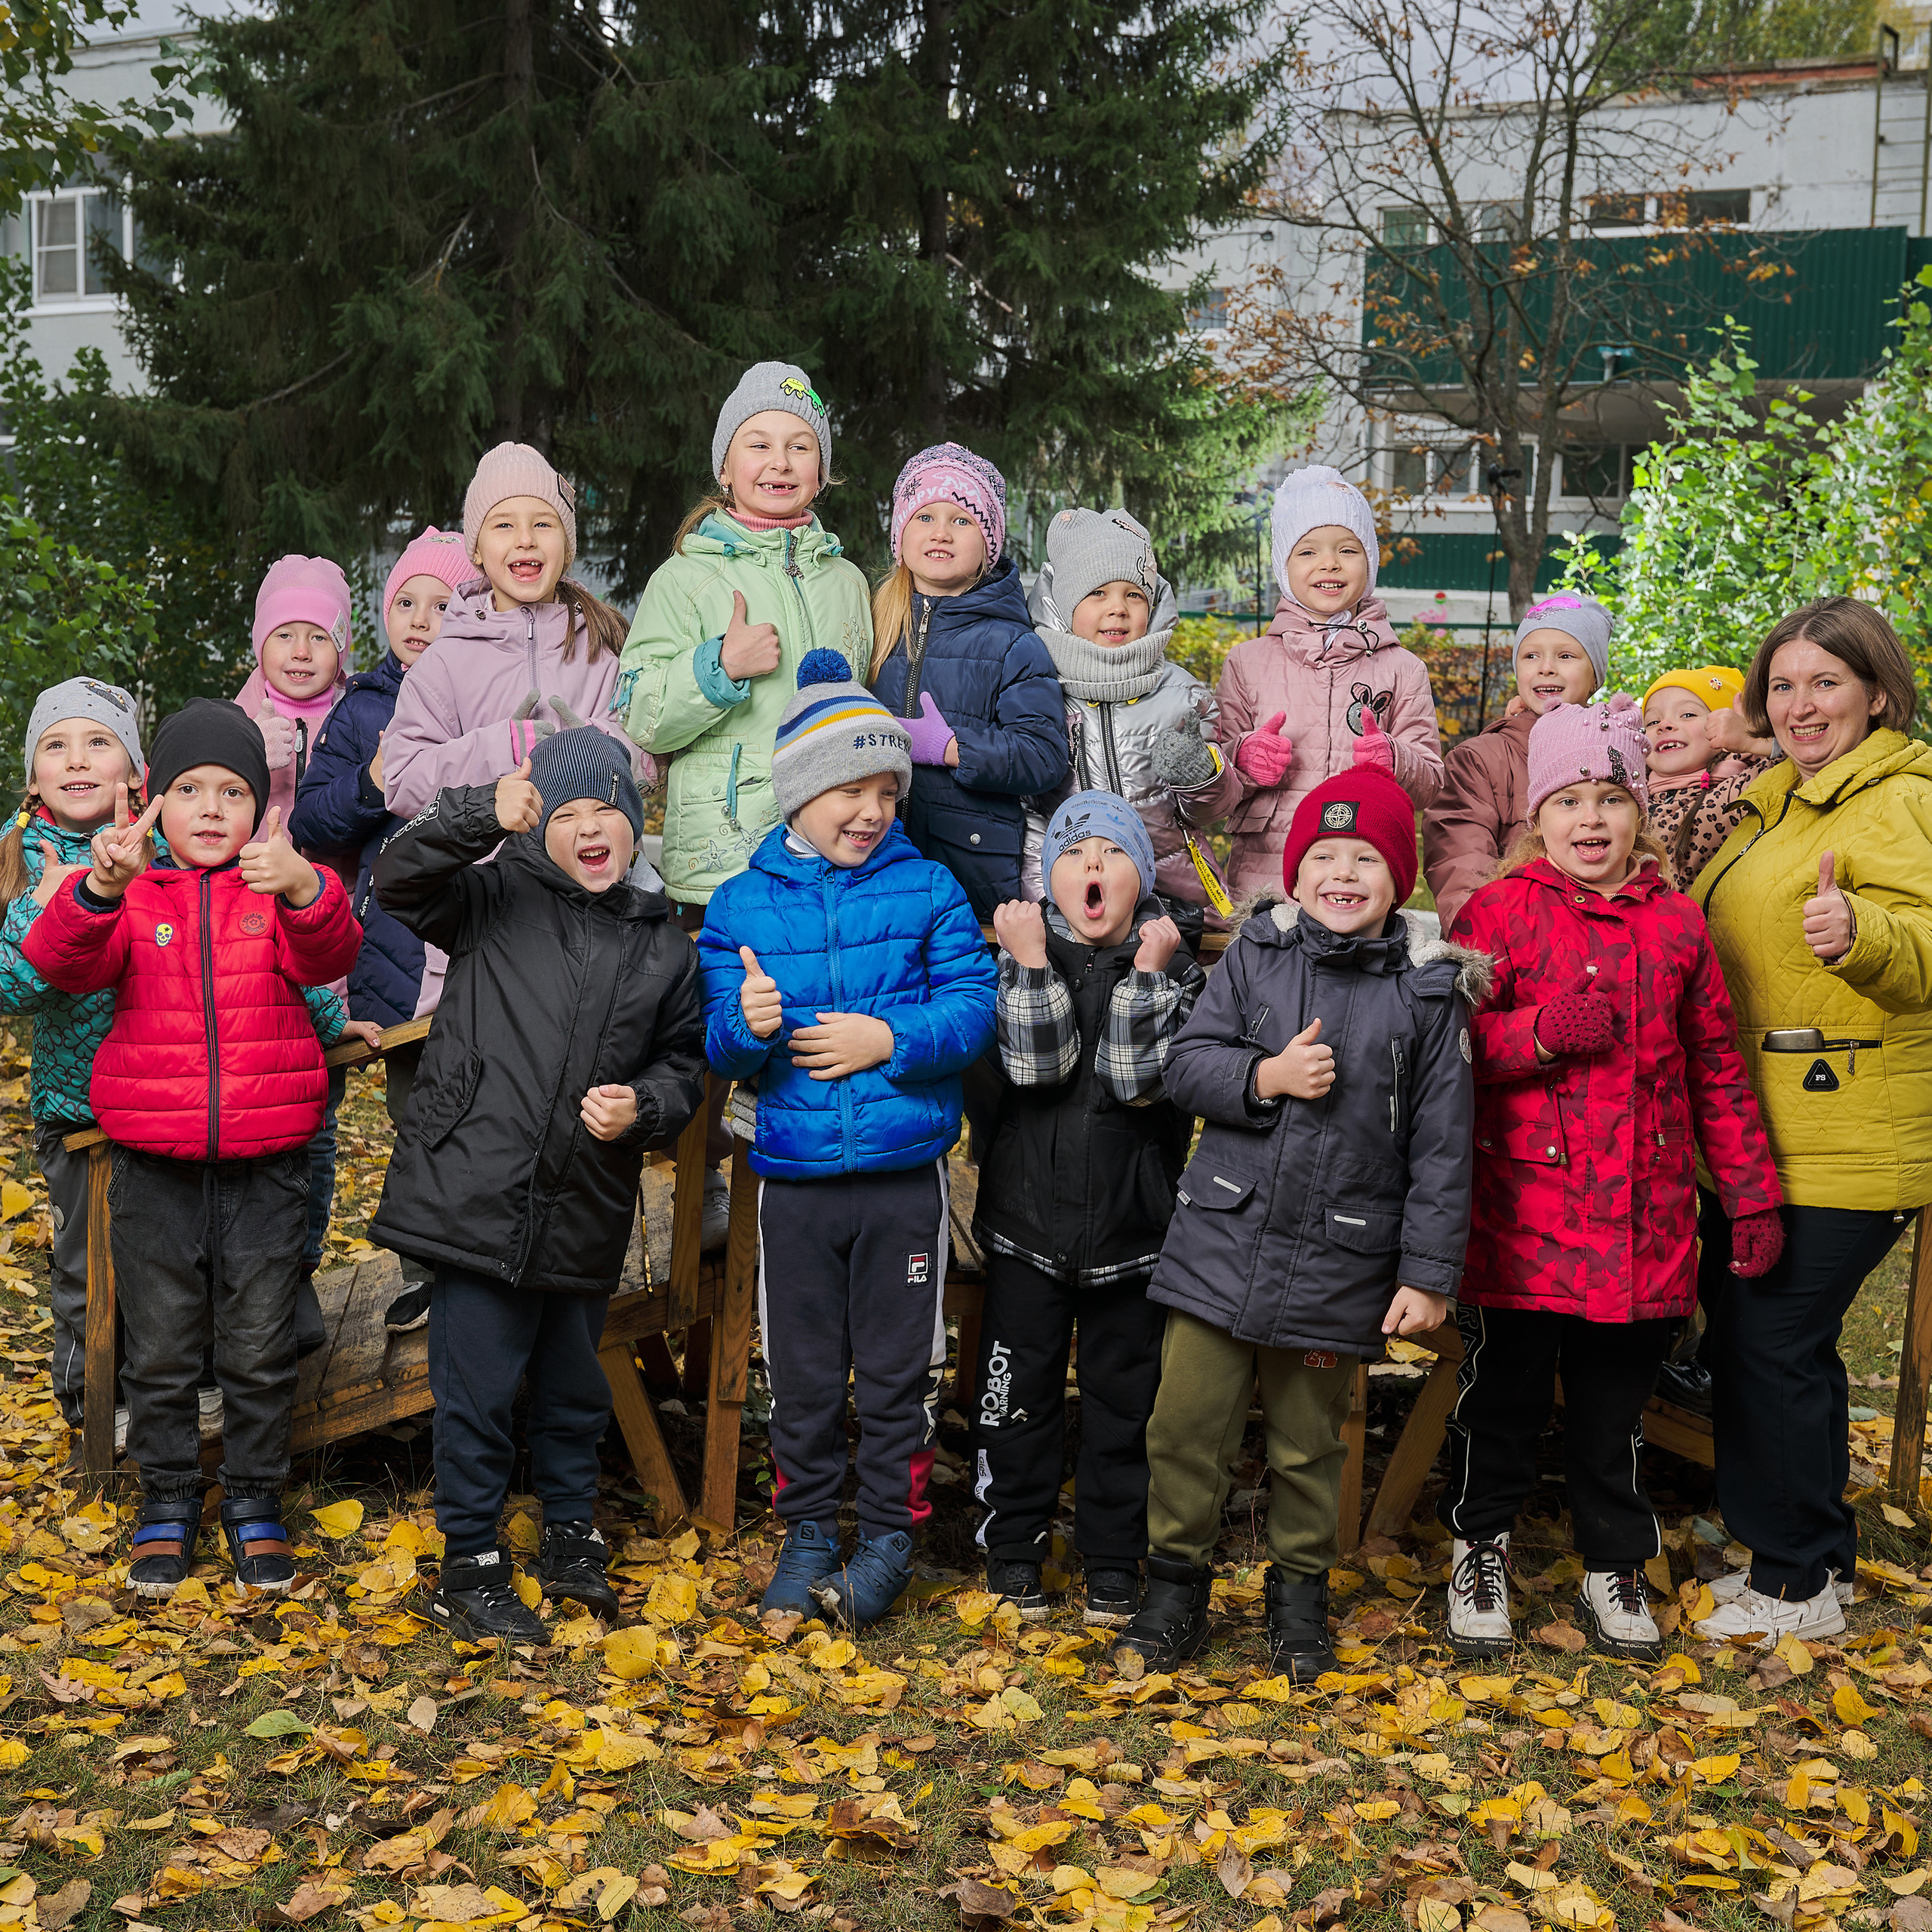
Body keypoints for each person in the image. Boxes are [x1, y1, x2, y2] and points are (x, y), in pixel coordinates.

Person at [1112, 767, 1479, 1679]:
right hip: (1221, 1244)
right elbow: (1189, 1064)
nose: (1341, 873)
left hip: (1340, 1254)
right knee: (1184, 1426)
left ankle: (1299, 1596)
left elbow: (1443, 1147)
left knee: (1311, 1441)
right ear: (1296, 866)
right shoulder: (1256, 954)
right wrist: (1263, 1078)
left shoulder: (1429, 995)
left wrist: (1428, 1273)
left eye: (1366, 857)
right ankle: (1173, 1589)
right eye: (1323, 855)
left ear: (1401, 879)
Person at [1446, 697, 1783, 1661]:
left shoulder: (1676, 926)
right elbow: (1448, 1047)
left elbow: (1716, 1065)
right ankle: (1480, 1546)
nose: (1589, 821)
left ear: (1640, 812)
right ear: (1535, 819)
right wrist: (1537, 1035)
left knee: (1611, 1414)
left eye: (1608, 799)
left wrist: (1749, 1191)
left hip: (1641, 1222)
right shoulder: (1498, 913)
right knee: (1502, 1401)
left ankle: (1614, 1561)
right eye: (1567, 801)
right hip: (1523, 1218)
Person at [369, 728, 706, 1641]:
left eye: (609, 812)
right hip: (475, 1190)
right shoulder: (490, 893)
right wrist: (481, 809)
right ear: (534, 825)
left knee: (573, 1389)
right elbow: (394, 880)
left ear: (636, 826)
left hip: (585, 1203)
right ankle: (468, 1562)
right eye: (567, 816)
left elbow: (684, 1067)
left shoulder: (666, 947)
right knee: (475, 1392)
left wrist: (642, 1105)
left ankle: (569, 1534)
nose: (591, 829)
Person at [23, 700, 362, 1598]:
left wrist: (301, 884)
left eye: (234, 791)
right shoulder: (133, 895)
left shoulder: (278, 894)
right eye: (188, 789)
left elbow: (333, 950)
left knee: (255, 1345)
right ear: (152, 803)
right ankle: (166, 1501)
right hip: (153, 1169)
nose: (211, 807)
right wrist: (96, 889)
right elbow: (60, 962)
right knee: (163, 1350)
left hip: (266, 1166)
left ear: (261, 809)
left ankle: (255, 1502)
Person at [697, 651, 996, 1629]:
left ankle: (890, 1538)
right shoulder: (744, 906)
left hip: (904, 1178)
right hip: (797, 1180)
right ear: (800, 793)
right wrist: (747, 1021)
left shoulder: (929, 891)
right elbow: (725, 1051)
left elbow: (972, 1009)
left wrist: (891, 1039)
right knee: (808, 1371)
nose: (868, 811)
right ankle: (809, 1533)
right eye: (846, 791)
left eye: (884, 791)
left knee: (902, 1367)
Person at [1688, 596, 1932, 1646]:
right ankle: (1800, 1547)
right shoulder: (1779, 803)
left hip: (1845, 1135)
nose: (1800, 704)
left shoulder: (1902, 801)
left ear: (1878, 694)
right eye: (1783, 685)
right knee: (1773, 1346)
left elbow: (1923, 949)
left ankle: (1794, 1585)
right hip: (1758, 1134)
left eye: (1825, 682)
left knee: (1771, 1341)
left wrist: (1862, 934)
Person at [617, 365, 871, 1247]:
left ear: (823, 468)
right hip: (727, 850)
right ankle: (710, 1187)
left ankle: (810, 1193)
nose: (780, 460)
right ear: (725, 468)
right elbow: (642, 711)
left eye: (800, 446)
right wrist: (718, 666)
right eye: (758, 444)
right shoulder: (685, 579)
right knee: (726, 1029)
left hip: (824, 850)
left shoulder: (846, 584)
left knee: (809, 1025)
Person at [976, 792, 1205, 1627]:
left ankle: (1113, 1557)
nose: (1093, 867)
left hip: (1131, 1233)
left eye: (1112, 854)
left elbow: (1133, 1081)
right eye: (1074, 855)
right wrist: (1032, 965)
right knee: (1018, 1395)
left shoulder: (1173, 966)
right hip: (1025, 1228)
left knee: (1123, 1407)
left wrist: (1146, 977)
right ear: (1049, 879)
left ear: (1140, 878)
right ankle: (1014, 1546)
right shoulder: (1019, 952)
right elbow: (1036, 1071)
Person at [291, 525, 473, 1334]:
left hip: (477, 935)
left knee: (476, 1108)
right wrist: (371, 782)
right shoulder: (364, 709)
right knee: (412, 1113)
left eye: (444, 603)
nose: (422, 618)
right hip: (397, 942)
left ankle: (477, 1263)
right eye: (406, 601)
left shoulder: (486, 693)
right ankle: (423, 1270)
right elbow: (312, 820)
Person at [382, 442, 645, 823]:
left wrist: (595, 747)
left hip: (588, 872)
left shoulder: (603, 645)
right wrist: (501, 749)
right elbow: (403, 782)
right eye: (504, 524)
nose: (525, 539)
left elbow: (648, 754)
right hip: (484, 878)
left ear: (567, 547)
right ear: (476, 549)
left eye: (543, 523)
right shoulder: (444, 662)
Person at [1214, 466, 1444, 902]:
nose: (1329, 563)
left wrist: (1394, 760)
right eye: (1307, 552)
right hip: (1266, 881)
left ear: (1369, 561)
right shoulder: (1247, 661)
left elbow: (1431, 780)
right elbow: (1212, 795)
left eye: (1347, 550)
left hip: (1359, 879)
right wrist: (1240, 759)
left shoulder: (1403, 668)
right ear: (1284, 566)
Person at [238, 554, 364, 1322]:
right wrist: (266, 770)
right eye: (284, 633)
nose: (299, 650)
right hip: (254, 951)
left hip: (334, 943)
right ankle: (258, 1271)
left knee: (321, 1121)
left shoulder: (357, 717)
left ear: (341, 647)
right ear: (260, 644)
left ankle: (303, 1267)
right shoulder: (238, 718)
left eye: (318, 635)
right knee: (265, 1112)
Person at [869, 442, 1067, 921]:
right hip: (874, 862)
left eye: (962, 520)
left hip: (969, 874)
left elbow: (1045, 756)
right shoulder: (873, 627)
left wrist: (952, 747)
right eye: (924, 517)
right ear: (901, 534)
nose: (941, 533)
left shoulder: (1012, 643)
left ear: (988, 543)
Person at [1023, 507, 1241, 923]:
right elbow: (1032, 817)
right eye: (1098, 593)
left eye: (1134, 595)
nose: (1118, 608)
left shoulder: (1183, 695)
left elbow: (1215, 811)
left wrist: (1202, 774)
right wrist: (1043, 904)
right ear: (1065, 605)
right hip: (1076, 904)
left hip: (1175, 900)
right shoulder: (1039, 692)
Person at [1423, 593, 1612, 930]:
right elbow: (1461, 865)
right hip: (1513, 945)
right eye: (1531, 655)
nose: (1546, 667)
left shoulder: (1617, 756)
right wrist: (1494, 943)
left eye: (1566, 656)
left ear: (1596, 676)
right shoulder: (1480, 760)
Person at [1641, 664, 1779, 887]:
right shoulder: (1631, 801)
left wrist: (1755, 741)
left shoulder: (1750, 785)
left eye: (1687, 714)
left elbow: (1803, 756)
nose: (1664, 725)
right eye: (1652, 722)